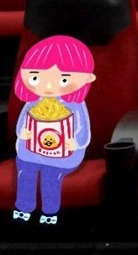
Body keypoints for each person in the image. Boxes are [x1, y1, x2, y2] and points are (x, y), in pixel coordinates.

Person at [12, 35, 96, 225]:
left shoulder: (75, 105)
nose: (48, 86)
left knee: (50, 175)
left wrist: (76, 142)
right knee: (25, 171)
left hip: (64, 155)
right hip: (31, 151)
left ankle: (50, 212)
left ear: (88, 78)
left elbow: (83, 129)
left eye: (63, 79)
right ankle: (24, 207)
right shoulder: (33, 101)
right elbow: (22, 121)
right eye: (35, 77)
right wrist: (22, 133)